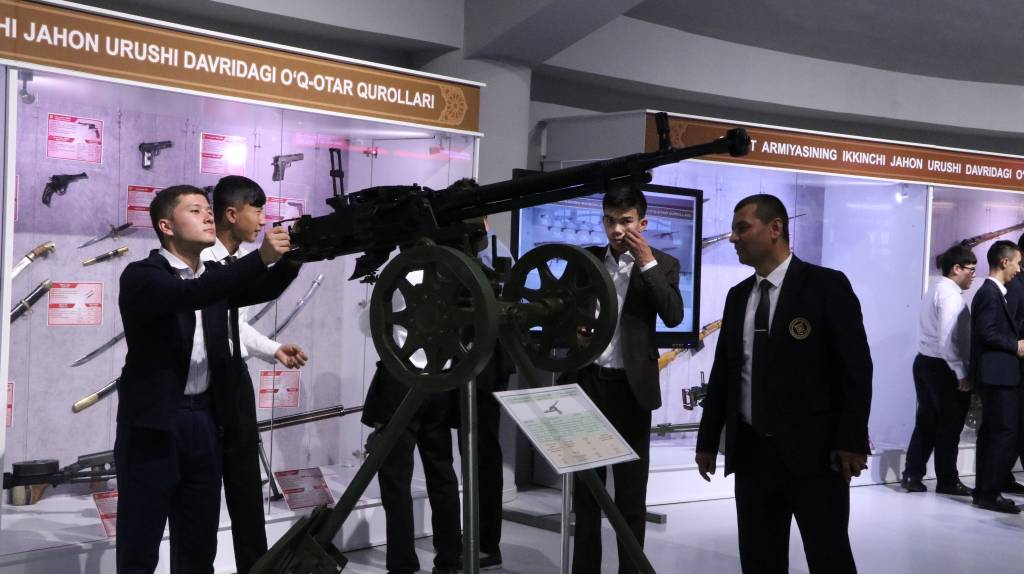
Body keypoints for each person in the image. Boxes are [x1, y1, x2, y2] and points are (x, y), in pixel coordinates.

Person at [115, 185, 300, 573]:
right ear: (166, 226)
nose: (207, 216)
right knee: (140, 543)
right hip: (154, 426)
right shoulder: (142, 276)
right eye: (195, 210)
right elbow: (190, 295)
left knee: (199, 543)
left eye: (207, 209)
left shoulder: (214, 277)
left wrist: (298, 252)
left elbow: (261, 287)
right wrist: (259, 258)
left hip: (203, 420)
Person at [695, 193, 872, 574]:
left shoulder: (825, 286)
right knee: (759, 559)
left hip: (815, 456)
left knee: (829, 557)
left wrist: (852, 440)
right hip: (753, 455)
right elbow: (725, 373)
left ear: (775, 228)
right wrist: (708, 441)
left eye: (742, 228)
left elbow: (855, 369)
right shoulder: (738, 297)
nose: (733, 238)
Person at [570, 184, 683, 574]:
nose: (616, 230)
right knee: (587, 495)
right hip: (588, 384)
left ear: (642, 223)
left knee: (631, 498)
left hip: (632, 390)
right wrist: (575, 331)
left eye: (626, 221)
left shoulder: (664, 264)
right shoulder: (585, 260)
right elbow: (562, 314)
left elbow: (673, 315)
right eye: (609, 220)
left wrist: (647, 262)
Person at [201, 175, 308, 574]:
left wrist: (273, 349)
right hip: (203, 386)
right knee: (203, 493)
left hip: (235, 380)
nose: (264, 220)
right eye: (258, 210)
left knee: (247, 487)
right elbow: (221, 304)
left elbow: (236, 320)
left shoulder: (239, 261)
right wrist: (268, 260)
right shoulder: (200, 262)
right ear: (232, 214)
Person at [361, 364, 463, 574]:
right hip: (440, 382)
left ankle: (402, 566)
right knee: (442, 473)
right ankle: (450, 561)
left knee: (396, 481)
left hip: (401, 380)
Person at [900, 244, 975, 495]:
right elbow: (947, 339)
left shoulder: (935, 288)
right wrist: (960, 371)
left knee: (927, 422)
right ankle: (947, 480)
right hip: (943, 368)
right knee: (950, 426)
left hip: (925, 362)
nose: (973, 275)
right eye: (971, 269)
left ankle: (912, 474)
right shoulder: (950, 295)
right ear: (956, 268)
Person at [970, 239, 1024, 513]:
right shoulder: (990, 293)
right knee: (1003, 432)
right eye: (1017, 263)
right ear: (1005, 262)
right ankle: (989, 493)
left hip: (997, 374)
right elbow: (986, 332)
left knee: (993, 432)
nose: (1018, 269)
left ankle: (984, 491)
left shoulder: (993, 292)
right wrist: (1016, 346)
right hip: (998, 375)